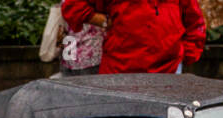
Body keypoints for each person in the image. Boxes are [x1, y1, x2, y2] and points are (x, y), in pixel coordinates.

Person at [61, 0, 205, 74]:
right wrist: (102, 20)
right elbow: (72, 7)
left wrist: (185, 54)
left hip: (169, 70)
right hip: (121, 71)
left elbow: (195, 23)